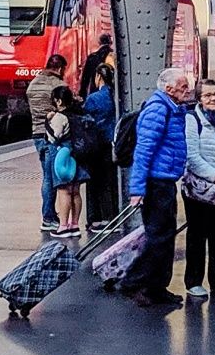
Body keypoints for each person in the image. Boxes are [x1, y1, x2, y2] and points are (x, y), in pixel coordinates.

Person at [125, 67, 196, 307]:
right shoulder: (158, 110)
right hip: (156, 183)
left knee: (165, 236)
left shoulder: (173, 109)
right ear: (169, 89)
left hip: (165, 181)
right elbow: (143, 151)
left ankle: (157, 287)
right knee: (158, 237)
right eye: (183, 86)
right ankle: (135, 282)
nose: (188, 90)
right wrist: (137, 190)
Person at [182, 79, 215, 300]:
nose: (213, 98)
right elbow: (192, 157)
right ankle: (193, 281)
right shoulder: (191, 120)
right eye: (207, 95)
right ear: (199, 98)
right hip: (198, 187)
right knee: (197, 233)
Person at [25, 54, 69, 233]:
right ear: (59, 68)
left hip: (37, 133)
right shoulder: (58, 85)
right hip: (53, 136)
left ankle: (49, 215)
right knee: (51, 177)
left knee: (46, 174)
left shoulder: (33, 84)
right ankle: (48, 217)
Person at [44, 86, 89, 237]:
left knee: (64, 191)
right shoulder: (79, 113)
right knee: (75, 192)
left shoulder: (59, 117)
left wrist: (47, 121)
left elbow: (53, 137)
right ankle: (75, 225)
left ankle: (63, 226)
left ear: (58, 100)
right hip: (79, 156)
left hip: (63, 157)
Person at [81, 71, 119, 229]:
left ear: (98, 77)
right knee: (110, 181)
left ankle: (94, 218)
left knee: (94, 181)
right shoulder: (115, 97)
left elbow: (85, 119)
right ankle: (111, 215)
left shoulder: (93, 98)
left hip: (95, 144)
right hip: (112, 144)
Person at [79, 35, 115, 99]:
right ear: (110, 42)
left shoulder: (92, 57)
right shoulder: (113, 56)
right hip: (113, 91)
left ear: (99, 42)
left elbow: (85, 78)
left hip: (95, 90)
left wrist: (82, 94)